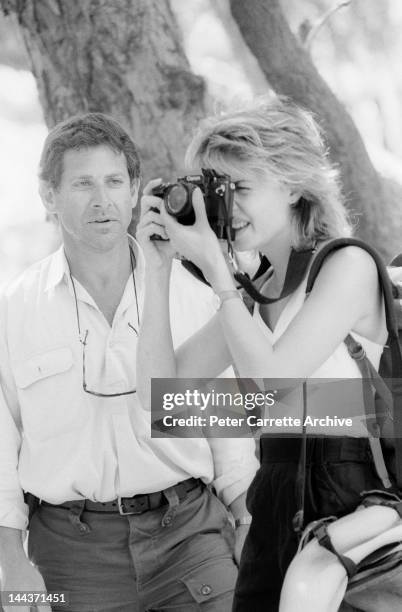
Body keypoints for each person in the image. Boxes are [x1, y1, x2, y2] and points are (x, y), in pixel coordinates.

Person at [136, 96, 387, 611]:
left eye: (240, 189)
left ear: (295, 184)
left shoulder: (347, 266)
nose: (226, 210)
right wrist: (158, 269)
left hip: (349, 498)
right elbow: (161, 399)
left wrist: (221, 276)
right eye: (218, 194)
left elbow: (271, 384)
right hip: (273, 494)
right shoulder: (259, 291)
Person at [0, 112, 258, 612]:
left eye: (115, 181)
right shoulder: (14, 310)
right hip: (70, 552)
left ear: (136, 189)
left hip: (189, 534)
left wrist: (248, 521)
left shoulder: (191, 294)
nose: (102, 200)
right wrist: (11, 562)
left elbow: (226, 427)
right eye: (82, 184)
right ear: (49, 196)